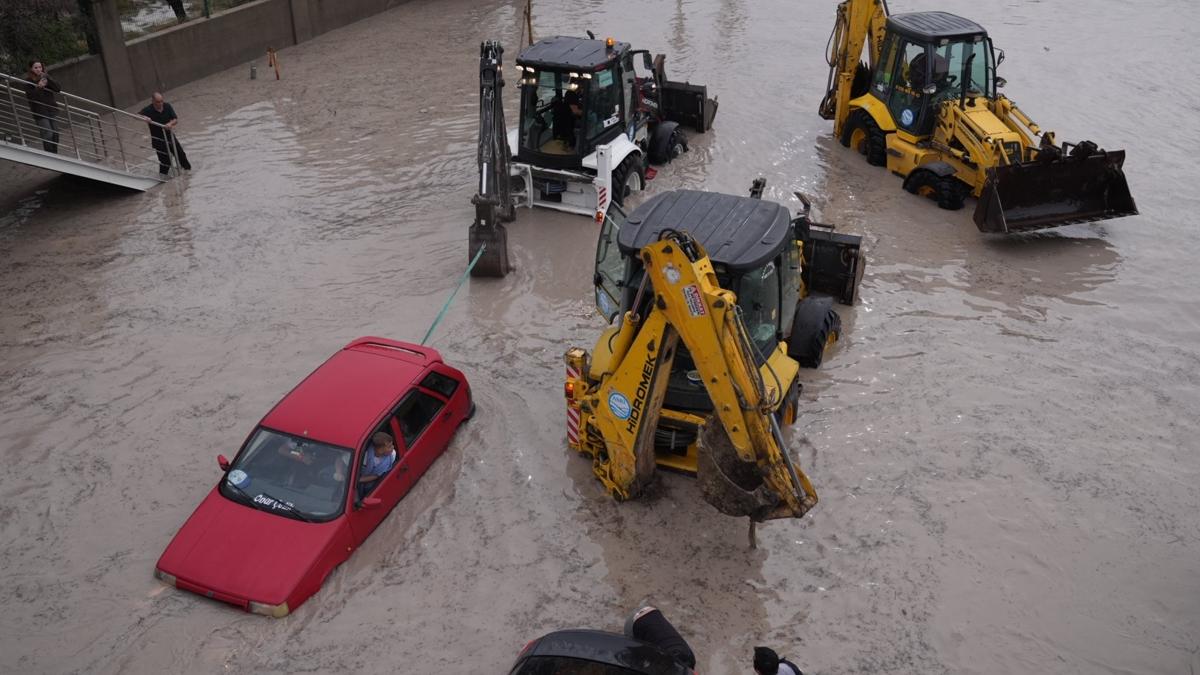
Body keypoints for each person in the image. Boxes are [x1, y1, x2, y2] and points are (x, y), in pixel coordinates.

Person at [139, 92, 191, 175]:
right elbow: (136, 116)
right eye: (158, 102)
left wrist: (170, 124)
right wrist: (144, 117)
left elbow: (175, 119)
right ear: (153, 101)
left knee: (181, 154)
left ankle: (188, 172)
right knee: (165, 161)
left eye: (161, 101)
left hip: (169, 136)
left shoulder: (167, 106)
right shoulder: (148, 109)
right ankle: (162, 178)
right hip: (158, 139)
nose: (160, 104)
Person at [23, 61, 61, 154]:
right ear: (31, 69)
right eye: (36, 68)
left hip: (51, 109)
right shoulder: (28, 81)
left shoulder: (45, 77)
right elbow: (31, 97)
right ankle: (50, 156)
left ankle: (54, 155)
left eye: (40, 67)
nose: (38, 69)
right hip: (40, 111)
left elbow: (57, 88)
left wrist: (48, 78)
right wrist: (39, 87)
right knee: (48, 134)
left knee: (55, 133)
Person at [357, 431, 397, 499]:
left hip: (370, 479)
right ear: (380, 449)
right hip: (359, 475)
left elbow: (376, 475)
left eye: (392, 445)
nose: (393, 447)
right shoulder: (365, 455)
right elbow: (342, 460)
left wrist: (359, 480)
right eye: (389, 446)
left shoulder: (392, 454)